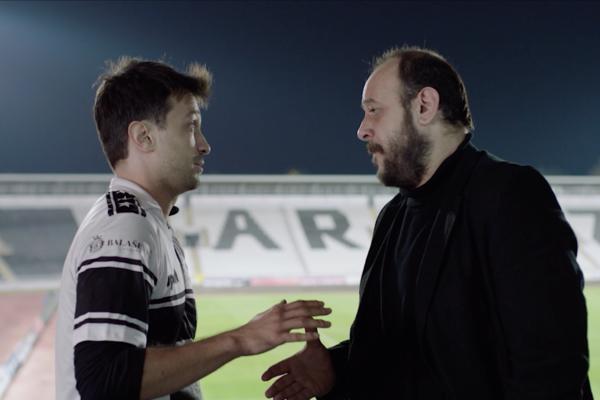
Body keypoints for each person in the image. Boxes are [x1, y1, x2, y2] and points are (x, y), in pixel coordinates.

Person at [262, 46, 592, 399]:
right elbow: (396, 355)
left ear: (424, 106)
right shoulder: (393, 217)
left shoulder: (510, 195)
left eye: (373, 110)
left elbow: (550, 371)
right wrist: (335, 370)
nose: (362, 130)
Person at [55, 57, 332, 400]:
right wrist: (240, 339)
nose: (204, 144)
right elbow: (104, 380)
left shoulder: (148, 222)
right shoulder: (125, 229)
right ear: (143, 136)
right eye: (190, 127)